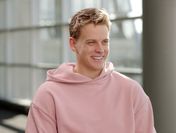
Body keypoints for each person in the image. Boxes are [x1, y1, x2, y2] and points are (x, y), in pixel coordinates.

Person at [26, 8, 156, 133]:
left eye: (105, 42)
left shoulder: (132, 91)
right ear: (73, 44)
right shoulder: (48, 95)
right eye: (91, 42)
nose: (100, 49)